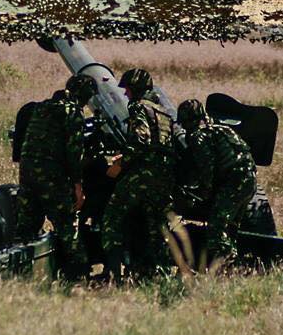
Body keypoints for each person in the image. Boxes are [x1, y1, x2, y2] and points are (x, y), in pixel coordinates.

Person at [17, 74, 99, 277]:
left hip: (28, 172)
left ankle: (20, 271)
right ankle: (77, 276)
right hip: (51, 176)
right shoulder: (72, 112)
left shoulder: (42, 107)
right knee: (67, 226)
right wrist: (78, 186)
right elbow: (74, 153)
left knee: (26, 226)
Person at [102, 68, 176, 281]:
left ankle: (112, 273)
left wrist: (121, 162)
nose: (125, 94)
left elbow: (140, 140)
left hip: (142, 175)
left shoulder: (138, 107)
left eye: (127, 89)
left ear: (136, 89)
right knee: (156, 227)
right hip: (163, 176)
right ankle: (159, 274)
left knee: (112, 218)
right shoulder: (163, 112)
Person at [176, 99, 257, 264]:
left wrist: (202, 193)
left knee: (216, 228)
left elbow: (207, 168)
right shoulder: (223, 129)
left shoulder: (198, 136)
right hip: (249, 181)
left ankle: (228, 264)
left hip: (233, 183)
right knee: (231, 227)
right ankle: (233, 262)